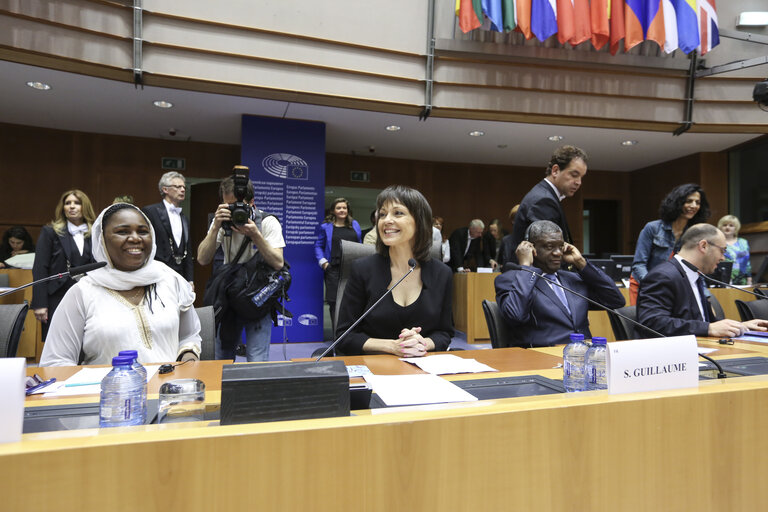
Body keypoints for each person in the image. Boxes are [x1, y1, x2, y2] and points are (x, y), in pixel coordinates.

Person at [39, 203, 201, 366]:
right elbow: (55, 361)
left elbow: (189, 335)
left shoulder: (171, 281)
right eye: (122, 232)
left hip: (169, 388)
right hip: (107, 390)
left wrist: (188, 354)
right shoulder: (82, 292)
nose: (135, 238)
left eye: (143, 231)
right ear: (102, 240)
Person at [335, 185, 453, 356]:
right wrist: (392, 346)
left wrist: (421, 343)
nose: (386, 220)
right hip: (374, 369)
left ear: (419, 221)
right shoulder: (362, 269)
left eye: (398, 213)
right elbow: (345, 336)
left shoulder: (442, 273)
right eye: (382, 214)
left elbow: (444, 333)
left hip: (423, 370)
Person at [495, 220, 625, 347]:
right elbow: (516, 316)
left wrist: (581, 263)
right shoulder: (512, 280)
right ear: (530, 248)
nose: (558, 253)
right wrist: (526, 268)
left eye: (560, 246)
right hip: (543, 359)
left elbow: (615, 300)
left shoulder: (572, 279)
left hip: (582, 356)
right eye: (549, 247)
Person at [197, 175, 285, 361]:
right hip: (230, 294)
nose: (233, 211)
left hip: (257, 297)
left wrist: (255, 235)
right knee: (222, 355)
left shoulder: (268, 222)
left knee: (257, 358)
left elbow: (278, 263)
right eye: (228, 206)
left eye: (237, 206)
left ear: (251, 202)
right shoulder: (221, 223)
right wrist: (215, 227)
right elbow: (202, 258)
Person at [637, 223, 768, 338]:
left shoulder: (695, 274)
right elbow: (652, 322)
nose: (723, 258)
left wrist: (739, 327)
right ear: (703, 246)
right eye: (722, 251)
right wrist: (709, 329)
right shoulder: (663, 275)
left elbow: (706, 323)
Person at [32, 189, 96, 341]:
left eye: (77, 203)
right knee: (58, 341)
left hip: (89, 295)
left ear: (85, 207)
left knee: (87, 341)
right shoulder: (50, 232)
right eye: (68, 203)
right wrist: (40, 303)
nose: (71, 206)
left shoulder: (96, 232)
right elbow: (40, 268)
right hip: (57, 295)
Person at [630, 183, 710, 304]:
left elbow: (696, 269)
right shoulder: (653, 228)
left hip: (671, 288)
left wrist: (706, 298)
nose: (693, 206)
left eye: (697, 202)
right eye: (689, 201)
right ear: (677, 202)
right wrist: (654, 286)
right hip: (644, 285)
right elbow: (639, 265)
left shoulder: (695, 234)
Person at [507, 146, 588, 263]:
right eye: (574, 175)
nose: (578, 182)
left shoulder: (545, 195)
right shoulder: (543, 200)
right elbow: (546, 255)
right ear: (555, 171)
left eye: (581, 177)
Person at [314, 197, 362, 332]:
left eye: (344, 208)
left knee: (353, 301)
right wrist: (323, 263)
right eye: (339, 208)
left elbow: (360, 244)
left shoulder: (355, 224)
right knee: (334, 302)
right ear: (333, 211)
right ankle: (337, 335)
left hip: (353, 269)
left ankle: (351, 334)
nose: (342, 210)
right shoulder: (326, 227)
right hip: (333, 269)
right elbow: (318, 246)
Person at [142, 171, 194, 287]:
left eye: (184, 187)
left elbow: (188, 250)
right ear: (165, 189)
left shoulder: (184, 217)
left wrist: (190, 279)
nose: (183, 189)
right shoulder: (150, 212)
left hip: (180, 275)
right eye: (178, 186)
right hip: (158, 274)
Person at [718, 215, 751, 285]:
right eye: (725, 225)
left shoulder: (743, 242)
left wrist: (749, 278)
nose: (727, 227)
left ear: (736, 228)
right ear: (720, 227)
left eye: (731, 225)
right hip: (723, 279)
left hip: (742, 280)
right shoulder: (717, 242)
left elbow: (747, 262)